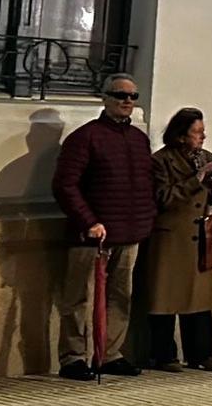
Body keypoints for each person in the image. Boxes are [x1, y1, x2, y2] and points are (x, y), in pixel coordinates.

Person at [52, 73, 154, 380]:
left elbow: (146, 182)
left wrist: (146, 218)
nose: (127, 101)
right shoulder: (85, 138)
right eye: (120, 95)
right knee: (79, 298)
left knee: (120, 296)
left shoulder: (139, 139)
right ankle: (73, 357)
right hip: (92, 235)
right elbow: (65, 185)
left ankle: (109, 353)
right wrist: (89, 221)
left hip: (130, 231)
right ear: (105, 98)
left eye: (133, 97)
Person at [140, 106, 212, 372]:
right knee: (164, 296)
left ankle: (201, 353)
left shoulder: (207, 157)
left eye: (202, 131)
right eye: (196, 132)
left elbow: (209, 197)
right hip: (170, 238)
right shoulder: (160, 161)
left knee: (198, 298)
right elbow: (163, 198)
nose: (202, 137)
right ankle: (164, 355)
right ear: (180, 135)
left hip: (198, 235)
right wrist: (196, 179)